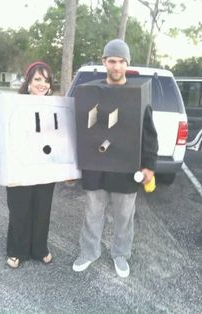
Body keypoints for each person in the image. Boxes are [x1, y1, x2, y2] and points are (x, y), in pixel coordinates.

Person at [72, 39, 159, 278]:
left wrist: (149, 164)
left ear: (127, 64)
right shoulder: (90, 92)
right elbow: (78, 128)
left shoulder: (137, 95)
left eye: (121, 61)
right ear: (104, 62)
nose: (117, 66)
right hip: (95, 167)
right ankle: (89, 252)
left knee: (124, 216)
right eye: (112, 61)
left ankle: (121, 254)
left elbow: (149, 133)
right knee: (92, 213)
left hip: (126, 168)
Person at [0, 61, 55, 268]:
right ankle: (17, 250)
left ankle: (39, 249)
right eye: (37, 79)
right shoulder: (12, 105)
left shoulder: (54, 108)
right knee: (20, 210)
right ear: (28, 82)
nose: (42, 84)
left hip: (45, 169)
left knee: (42, 210)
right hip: (18, 165)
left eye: (46, 80)